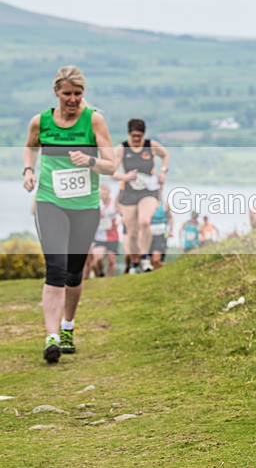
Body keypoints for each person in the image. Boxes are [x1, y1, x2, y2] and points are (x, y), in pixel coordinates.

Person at [22, 65, 116, 363]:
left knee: (74, 273)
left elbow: (111, 164)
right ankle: (50, 336)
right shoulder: (41, 121)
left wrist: (90, 160)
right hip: (51, 201)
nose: (73, 99)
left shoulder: (94, 121)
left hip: (85, 207)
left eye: (78, 94)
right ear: (56, 93)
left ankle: (67, 327)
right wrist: (28, 171)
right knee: (56, 267)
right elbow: (30, 147)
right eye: (67, 94)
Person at [112, 118, 169, 273]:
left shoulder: (151, 145)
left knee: (144, 221)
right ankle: (134, 262)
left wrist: (163, 172)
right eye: (134, 136)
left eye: (139, 136)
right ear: (129, 134)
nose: (136, 139)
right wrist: (124, 177)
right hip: (128, 193)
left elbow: (165, 155)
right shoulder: (122, 148)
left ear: (143, 134)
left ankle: (145, 257)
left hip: (148, 191)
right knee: (132, 231)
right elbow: (112, 172)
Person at [88, 183, 120, 277]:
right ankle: (99, 275)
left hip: (113, 236)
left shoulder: (114, 203)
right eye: (102, 195)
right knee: (97, 260)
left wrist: (119, 221)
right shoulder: (95, 203)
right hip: (99, 236)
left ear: (109, 193)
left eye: (106, 194)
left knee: (111, 261)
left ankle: (110, 281)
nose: (104, 197)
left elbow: (123, 214)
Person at [149, 188, 172, 269]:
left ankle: (170, 270)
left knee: (157, 259)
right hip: (149, 235)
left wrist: (170, 231)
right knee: (151, 261)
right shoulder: (147, 204)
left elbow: (170, 218)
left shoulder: (165, 204)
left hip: (162, 234)